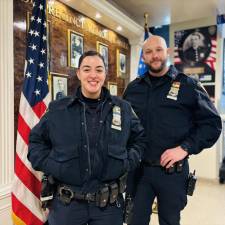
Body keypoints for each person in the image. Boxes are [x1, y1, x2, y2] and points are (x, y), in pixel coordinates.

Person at [27, 50, 146, 225]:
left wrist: (127, 161)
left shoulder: (123, 109)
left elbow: (140, 139)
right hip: (67, 206)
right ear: (78, 73)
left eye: (99, 70)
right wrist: (52, 165)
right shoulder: (58, 109)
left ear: (105, 74)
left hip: (109, 208)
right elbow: (35, 141)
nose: (93, 75)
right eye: (87, 69)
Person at [123, 35, 222, 225]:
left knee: (170, 221)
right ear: (143, 57)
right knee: (135, 221)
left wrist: (184, 148)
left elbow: (212, 124)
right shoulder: (133, 89)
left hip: (172, 174)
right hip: (139, 172)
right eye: (149, 52)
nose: (154, 56)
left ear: (167, 52)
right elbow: (123, 126)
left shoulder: (188, 86)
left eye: (158, 50)